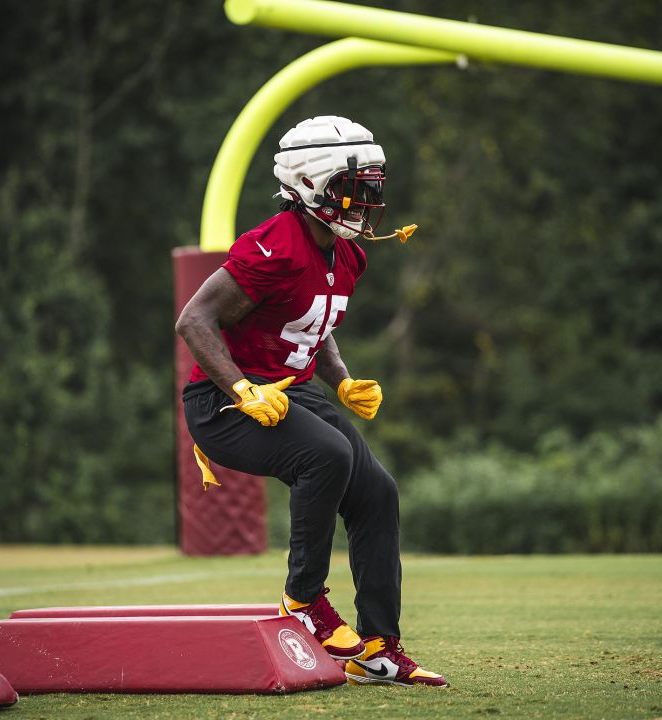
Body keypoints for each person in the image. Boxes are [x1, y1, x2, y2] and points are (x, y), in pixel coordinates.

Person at [175, 116, 446, 688]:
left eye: (371, 187)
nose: (366, 202)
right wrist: (241, 389)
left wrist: (342, 379)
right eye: (354, 188)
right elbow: (194, 319)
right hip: (222, 404)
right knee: (326, 455)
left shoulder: (348, 254)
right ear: (310, 185)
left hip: (295, 392)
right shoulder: (272, 246)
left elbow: (312, 323)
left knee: (378, 491)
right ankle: (303, 601)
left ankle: (378, 646)